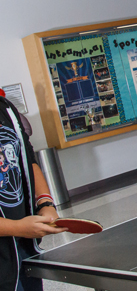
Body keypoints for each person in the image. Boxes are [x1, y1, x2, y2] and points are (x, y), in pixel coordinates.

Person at [0, 94, 66, 291]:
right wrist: (16, 227)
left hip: (23, 248)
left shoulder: (5, 108)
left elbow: (27, 157)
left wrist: (45, 203)